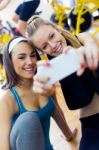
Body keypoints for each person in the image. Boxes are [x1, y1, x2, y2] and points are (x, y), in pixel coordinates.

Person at [26, 16, 99, 150]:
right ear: (41, 52)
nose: (53, 46)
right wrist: (68, 134)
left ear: (57, 29)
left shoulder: (82, 39)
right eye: (45, 46)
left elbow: (90, 42)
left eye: (52, 36)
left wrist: (90, 50)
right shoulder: (51, 70)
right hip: (93, 123)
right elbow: (55, 108)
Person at [0, 36, 78, 150]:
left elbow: (56, 110)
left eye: (32, 55)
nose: (30, 62)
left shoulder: (43, 82)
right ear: (10, 62)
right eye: (22, 57)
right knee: (28, 119)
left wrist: (69, 135)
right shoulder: (7, 100)